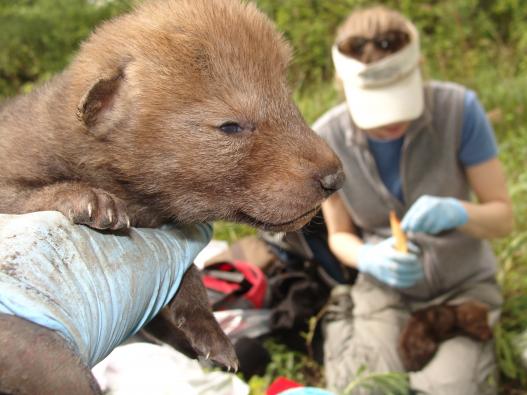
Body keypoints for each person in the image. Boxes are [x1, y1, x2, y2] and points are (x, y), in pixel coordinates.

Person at [315, 6, 514, 395]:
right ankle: (344, 317)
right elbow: (340, 236)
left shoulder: (459, 111)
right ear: (344, 85)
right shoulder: (327, 139)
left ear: (419, 68)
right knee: (370, 387)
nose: (391, 123)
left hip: (461, 287)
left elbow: (503, 218)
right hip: (384, 290)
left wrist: (459, 213)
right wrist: (370, 258)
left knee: (451, 388)